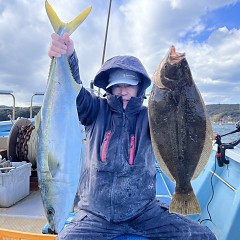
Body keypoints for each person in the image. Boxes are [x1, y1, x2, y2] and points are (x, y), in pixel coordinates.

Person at [48, 33, 217, 240]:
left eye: (129, 85)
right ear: (109, 88)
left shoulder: (151, 116)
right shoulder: (94, 110)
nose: (123, 91)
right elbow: (73, 89)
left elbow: (179, 119)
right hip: (96, 215)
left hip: (144, 212)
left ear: (140, 88)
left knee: (204, 236)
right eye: (118, 85)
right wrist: (68, 56)